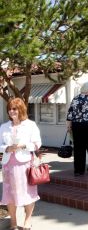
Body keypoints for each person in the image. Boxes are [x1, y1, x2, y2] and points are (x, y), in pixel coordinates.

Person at [0, 98, 42, 230]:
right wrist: (7, 148)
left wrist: (23, 145)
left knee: (27, 192)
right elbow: (0, 145)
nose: (11, 111)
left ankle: (27, 220)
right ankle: (13, 223)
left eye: (15, 109)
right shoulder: (4, 126)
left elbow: (37, 143)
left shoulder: (30, 125)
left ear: (21, 110)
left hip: (24, 164)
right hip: (8, 165)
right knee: (9, 194)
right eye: (10, 109)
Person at [66, 82, 88, 177]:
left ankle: (78, 171)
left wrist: (69, 125)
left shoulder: (75, 98)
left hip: (77, 126)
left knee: (78, 148)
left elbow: (70, 113)